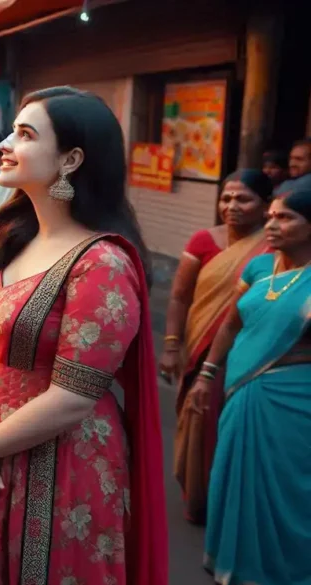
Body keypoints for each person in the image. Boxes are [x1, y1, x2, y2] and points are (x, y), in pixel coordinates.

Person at [0, 87, 168, 585]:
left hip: (61, 467)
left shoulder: (102, 262)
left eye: (24, 134)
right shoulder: (15, 239)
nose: (3, 143)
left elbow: (72, 399)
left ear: (71, 159)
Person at [198, 189, 311, 585]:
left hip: (295, 400)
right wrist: (206, 373)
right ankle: (239, 566)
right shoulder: (259, 268)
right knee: (235, 478)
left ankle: (290, 570)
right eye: (272, 216)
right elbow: (231, 323)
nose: (272, 225)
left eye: (286, 218)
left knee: (290, 491)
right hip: (243, 392)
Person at [161, 169, 272, 524]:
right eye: (226, 198)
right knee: (198, 420)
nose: (232, 206)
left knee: (235, 427)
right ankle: (198, 494)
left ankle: (231, 498)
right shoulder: (203, 240)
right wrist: (171, 344)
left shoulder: (274, 247)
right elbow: (179, 297)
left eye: (244, 199)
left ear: (265, 205)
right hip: (199, 347)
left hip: (249, 351)